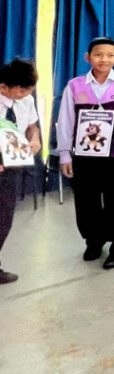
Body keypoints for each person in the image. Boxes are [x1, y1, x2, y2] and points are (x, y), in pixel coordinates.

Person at [57, 37, 114, 269]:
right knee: (86, 200)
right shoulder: (74, 85)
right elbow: (65, 121)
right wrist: (65, 153)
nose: (103, 59)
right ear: (87, 58)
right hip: (85, 152)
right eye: (98, 54)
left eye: (109, 55)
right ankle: (94, 240)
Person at [0, 59, 41, 284]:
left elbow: (32, 126)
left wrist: (34, 138)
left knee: (4, 218)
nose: (27, 94)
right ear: (3, 87)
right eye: (22, 90)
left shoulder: (26, 100)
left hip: (11, 167)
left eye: (30, 90)